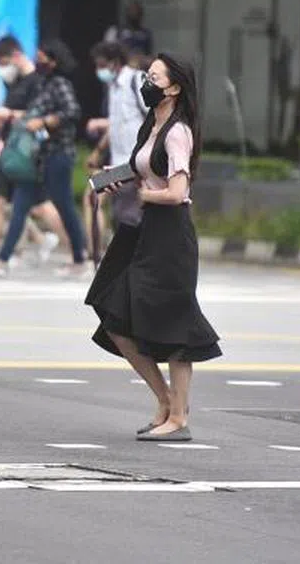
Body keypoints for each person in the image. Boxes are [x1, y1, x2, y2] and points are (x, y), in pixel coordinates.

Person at [86, 53, 219, 442]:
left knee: (176, 325)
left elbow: (177, 191)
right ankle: (164, 400)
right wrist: (114, 180)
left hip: (170, 236)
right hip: (142, 232)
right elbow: (141, 167)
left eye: (155, 77)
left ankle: (178, 417)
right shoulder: (154, 122)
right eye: (147, 75)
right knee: (112, 310)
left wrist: (146, 194)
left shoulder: (178, 131)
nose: (147, 82)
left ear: (173, 87)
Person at [0, 39, 90, 279]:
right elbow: (31, 114)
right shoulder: (42, 85)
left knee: (64, 205)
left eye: (42, 58)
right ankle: (2, 259)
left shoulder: (59, 84)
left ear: (54, 61)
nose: (38, 62)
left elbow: (72, 112)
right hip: (36, 156)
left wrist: (46, 121)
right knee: (20, 204)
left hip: (58, 154)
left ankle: (81, 257)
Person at [87, 41, 149, 232]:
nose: (100, 70)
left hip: (135, 162)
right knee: (109, 203)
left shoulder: (135, 80)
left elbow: (154, 116)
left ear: (115, 62)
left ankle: (117, 256)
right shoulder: (113, 87)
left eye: (103, 65)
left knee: (128, 214)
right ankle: (98, 254)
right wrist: (98, 152)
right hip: (119, 163)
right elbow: (116, 125)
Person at [104, 0, 153, 66]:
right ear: (126, 13)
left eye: (137, 11)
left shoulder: (146, 33)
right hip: (120, 67)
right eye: (131, 11)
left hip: (139, 67)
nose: (134, 13)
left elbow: (148, 54)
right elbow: (107, 51)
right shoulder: (115, 30)